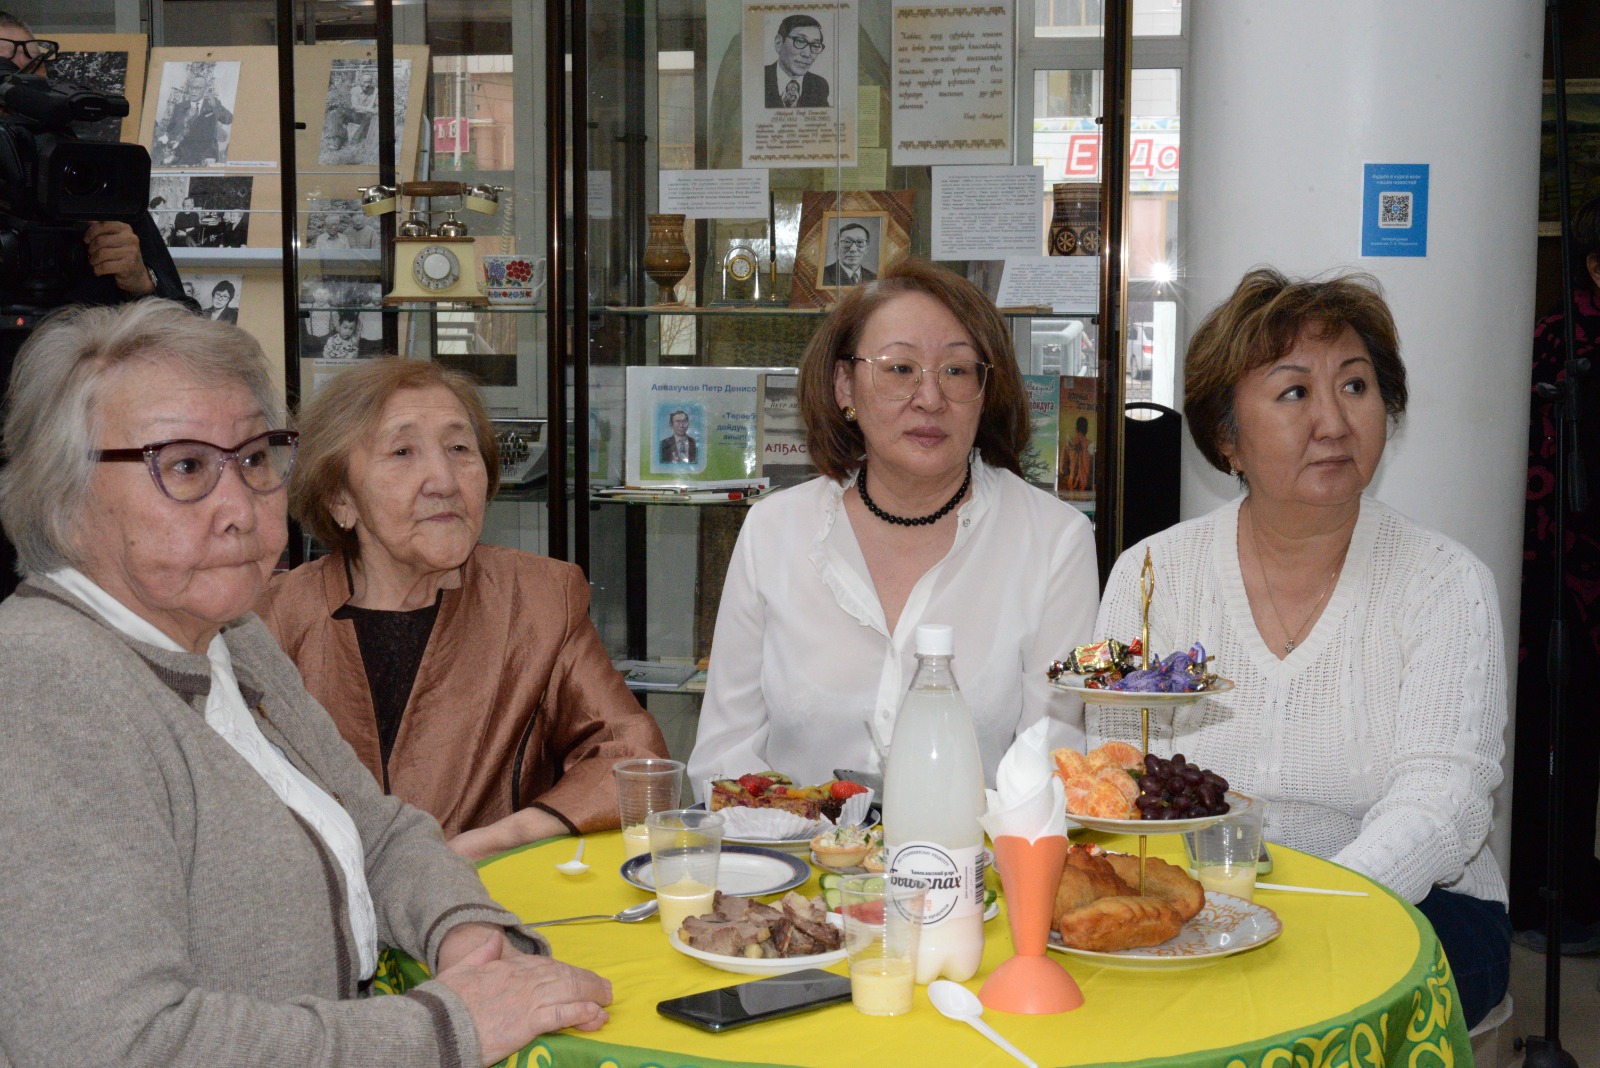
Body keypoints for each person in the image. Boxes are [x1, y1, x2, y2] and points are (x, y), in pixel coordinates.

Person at [0, 301, 613, 1067]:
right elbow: (115, 1046)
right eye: (186, 467)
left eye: (255, 459)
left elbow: (378, 830)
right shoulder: (44, 686)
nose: (240, 508)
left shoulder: (234, 638)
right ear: (64, 496)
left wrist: (465, 930)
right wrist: (446, 1025)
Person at [1088, 267, 1510, 1028]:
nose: (1335, 421)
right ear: (1227, 438)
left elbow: (1446, 800)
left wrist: (1315, 906)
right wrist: (1209, 905)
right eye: (1294, 394)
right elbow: (1117, 769)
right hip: (1198, 892)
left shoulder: (1447, 582)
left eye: (1355, 386)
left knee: (1300, 1000)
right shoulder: (1150, 572)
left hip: (1417, 900)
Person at [688, 259, 1098, 792]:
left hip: (978, 869)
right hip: (799, 866)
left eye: (957, 371)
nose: (930, 399)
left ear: (985, 390)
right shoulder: (775, 530)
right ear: (844, 386)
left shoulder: (1053, 541)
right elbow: (725, 755)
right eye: (900, 369)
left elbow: (1055, 763)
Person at [255, 358, 668, 861]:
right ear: (341, 497)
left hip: (492, 907)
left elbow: (632, 756)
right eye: (403, 451)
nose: (443, 480)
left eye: (459, 448)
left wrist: (503, 839)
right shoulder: (268, 622)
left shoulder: (537, 598)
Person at [0, 11, 195, 603]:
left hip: (77, 457)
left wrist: (138, 280)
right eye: (8, 55)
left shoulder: (87, 173)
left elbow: (184, 327)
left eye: (30, 52)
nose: (22, 67)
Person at [1512, 192, 1600, 954]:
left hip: (1556, 575)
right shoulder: (1560, 343)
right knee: (1562, 739)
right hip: (1562, 576)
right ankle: (1557, 894)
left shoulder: (1551, 337)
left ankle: (1567, 887)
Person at [763, 14, 830, 109]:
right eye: (800, 41)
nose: (807, 54)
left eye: (815, 45)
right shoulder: (759, 78)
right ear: (779, 43)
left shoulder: (819, 85)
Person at [821, 222, 875, 287]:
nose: (853, 249)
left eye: (860, 242)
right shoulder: (822, 276)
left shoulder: (874, 278)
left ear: (867, 248)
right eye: (847, 242)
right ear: (836, 246)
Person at [1060, 415, 1091, 493]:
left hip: (1071, 486)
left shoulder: (1067, 445)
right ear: (1086, 430)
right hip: (1086, 488)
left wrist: (1069, 477)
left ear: (1076, 429)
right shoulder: (1092, 445)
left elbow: (1062, 468)